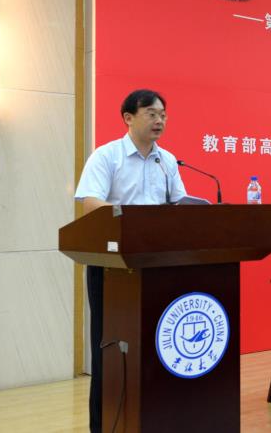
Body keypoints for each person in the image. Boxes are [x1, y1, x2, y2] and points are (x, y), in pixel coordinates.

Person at [74, 89, 186, 433]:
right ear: (128, 117)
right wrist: (132, 217)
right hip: (113, 267)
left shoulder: (167, 161)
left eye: (163, 115)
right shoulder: (107, 156)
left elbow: (180, 206)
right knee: (110, 349)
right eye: (151, 114)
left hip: (156, 265)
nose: (159, 121)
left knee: (154, 347)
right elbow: (90, 202)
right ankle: (105, 426)